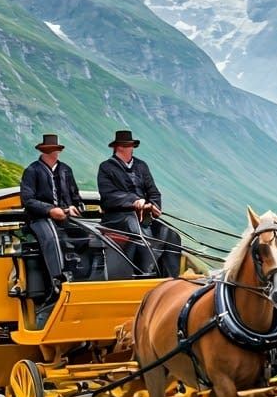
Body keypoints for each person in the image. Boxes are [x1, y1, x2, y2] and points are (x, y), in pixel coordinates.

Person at [96, 129, 182, 278]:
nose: (132, 149)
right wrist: (134, 201)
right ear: (119, 147)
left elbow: (153, 191)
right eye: (129, 145)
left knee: (171, 235)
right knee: (136, 230)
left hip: (143, 217)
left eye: (132, 145)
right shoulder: (106, 167)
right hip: (117, 217)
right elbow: (109, 196)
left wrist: (154, 206)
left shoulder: (142, 166)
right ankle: (143, 274)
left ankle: (170, 278)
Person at [19, 133, 84, 301]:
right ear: (46, 152)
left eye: (56, 150)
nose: (56, 153)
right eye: (53, 150)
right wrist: (49, 210)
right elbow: (28, 200)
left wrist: (74, 207)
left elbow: (76, 196)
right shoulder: (32, 171)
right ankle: (57, 279)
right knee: (50, 239)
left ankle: (83, 275)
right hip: (39, 218)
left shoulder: (65, 170)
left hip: (65, 217)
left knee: (86, 235)